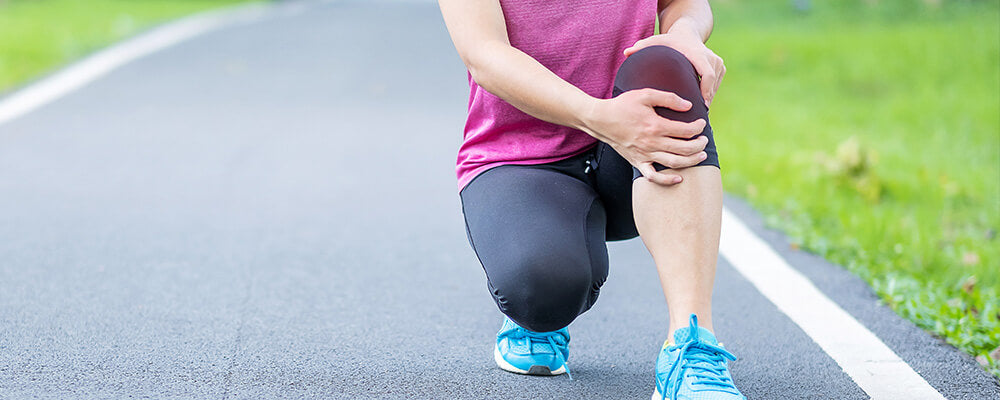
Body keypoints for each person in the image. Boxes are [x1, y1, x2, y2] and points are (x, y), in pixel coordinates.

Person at [438, 0, 744, 398]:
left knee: (667, 64)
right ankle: (539, 310)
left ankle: (691, 348)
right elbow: (484, 53)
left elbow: (685, 5)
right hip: (523, 156)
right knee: (543, 291)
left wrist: (684, 33)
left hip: (634, 144)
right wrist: (599, 117)